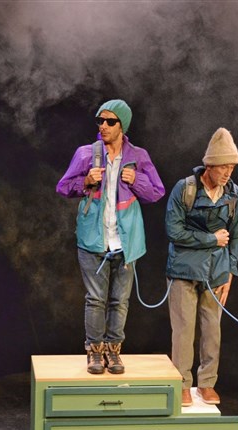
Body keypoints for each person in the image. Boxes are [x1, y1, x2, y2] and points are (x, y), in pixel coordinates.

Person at [56, 99, 165, 375]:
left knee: (120, 301)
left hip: (126, 242)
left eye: (110, 121)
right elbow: (63, 187)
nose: (103, 126)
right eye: (100, 121)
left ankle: (113, 350)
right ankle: (94, 351)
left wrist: (136, 179)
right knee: (95, 299)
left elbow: (156, 192)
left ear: (122, 125)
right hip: (93, 240)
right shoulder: (86, 154)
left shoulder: (138, 156)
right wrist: (85, 182)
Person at [165, 127, 238, 407]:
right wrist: (211, 239)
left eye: (232, 167)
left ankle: (207, 383)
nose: (227, 173)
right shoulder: (185, 189)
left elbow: (237, 234)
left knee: (212, 330)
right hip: (184, 271)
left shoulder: (233, 193)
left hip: (216, 272)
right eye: (223, 166)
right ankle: (182, 383)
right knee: (184, 331)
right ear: (209, 165)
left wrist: (231, 270)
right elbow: (174, 231)